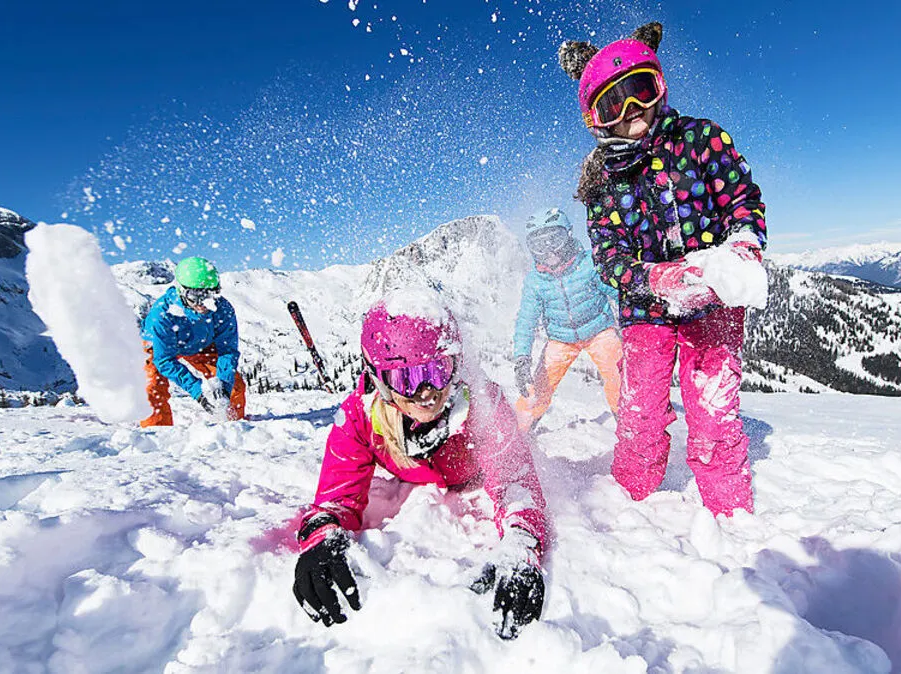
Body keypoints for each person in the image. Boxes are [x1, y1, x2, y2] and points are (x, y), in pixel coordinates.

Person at [557, 22, 768, 516]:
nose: (632, 110)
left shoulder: (701, 139)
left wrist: (741, 246)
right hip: (645, 310)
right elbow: (609, 257)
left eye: (640, 90)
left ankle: (731, 515)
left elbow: (742, 200)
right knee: (641, 412)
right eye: (613, 103)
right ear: (595, 119)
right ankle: (631, 505)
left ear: (660, 85)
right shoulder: (600, 180)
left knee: (713, 414)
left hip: (711, 300)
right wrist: (651, 278)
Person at [293, 289, 547, 640]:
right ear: (379, 380)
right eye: (406, 379)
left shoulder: (483, 403)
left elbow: (515, 482)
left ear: (456, 364)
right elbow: (336, 497)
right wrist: (321, 537)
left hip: (471, 476)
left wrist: (521, 542)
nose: (426, 393)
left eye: (438, 371)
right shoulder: (359, 418)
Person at [513, 207, 622, 433]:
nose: (548, 251)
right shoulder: (536, 281)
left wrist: (637, 322)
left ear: (569, 236)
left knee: (618, 375)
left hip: (599, 330)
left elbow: (617, 294)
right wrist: (522, 357)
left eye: (554, 240)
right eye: (539, 245)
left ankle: (628, 420)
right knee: (538, 387)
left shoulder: (589, 264)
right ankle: (519, 430)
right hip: (561, 339)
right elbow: (526, 320)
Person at [139, 256, 245, 426]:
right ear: (182, 291)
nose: (203, 302)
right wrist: (198, 391)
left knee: (233, 386)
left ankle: (235, 426)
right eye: (195, 296)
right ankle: (156, 434)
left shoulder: (222, 309)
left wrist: (224, 387)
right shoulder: (161, 315)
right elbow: (164, 360)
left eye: (210, 294)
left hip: (201, 345)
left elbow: (227, 351)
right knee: (152, 389)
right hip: (160, 347)